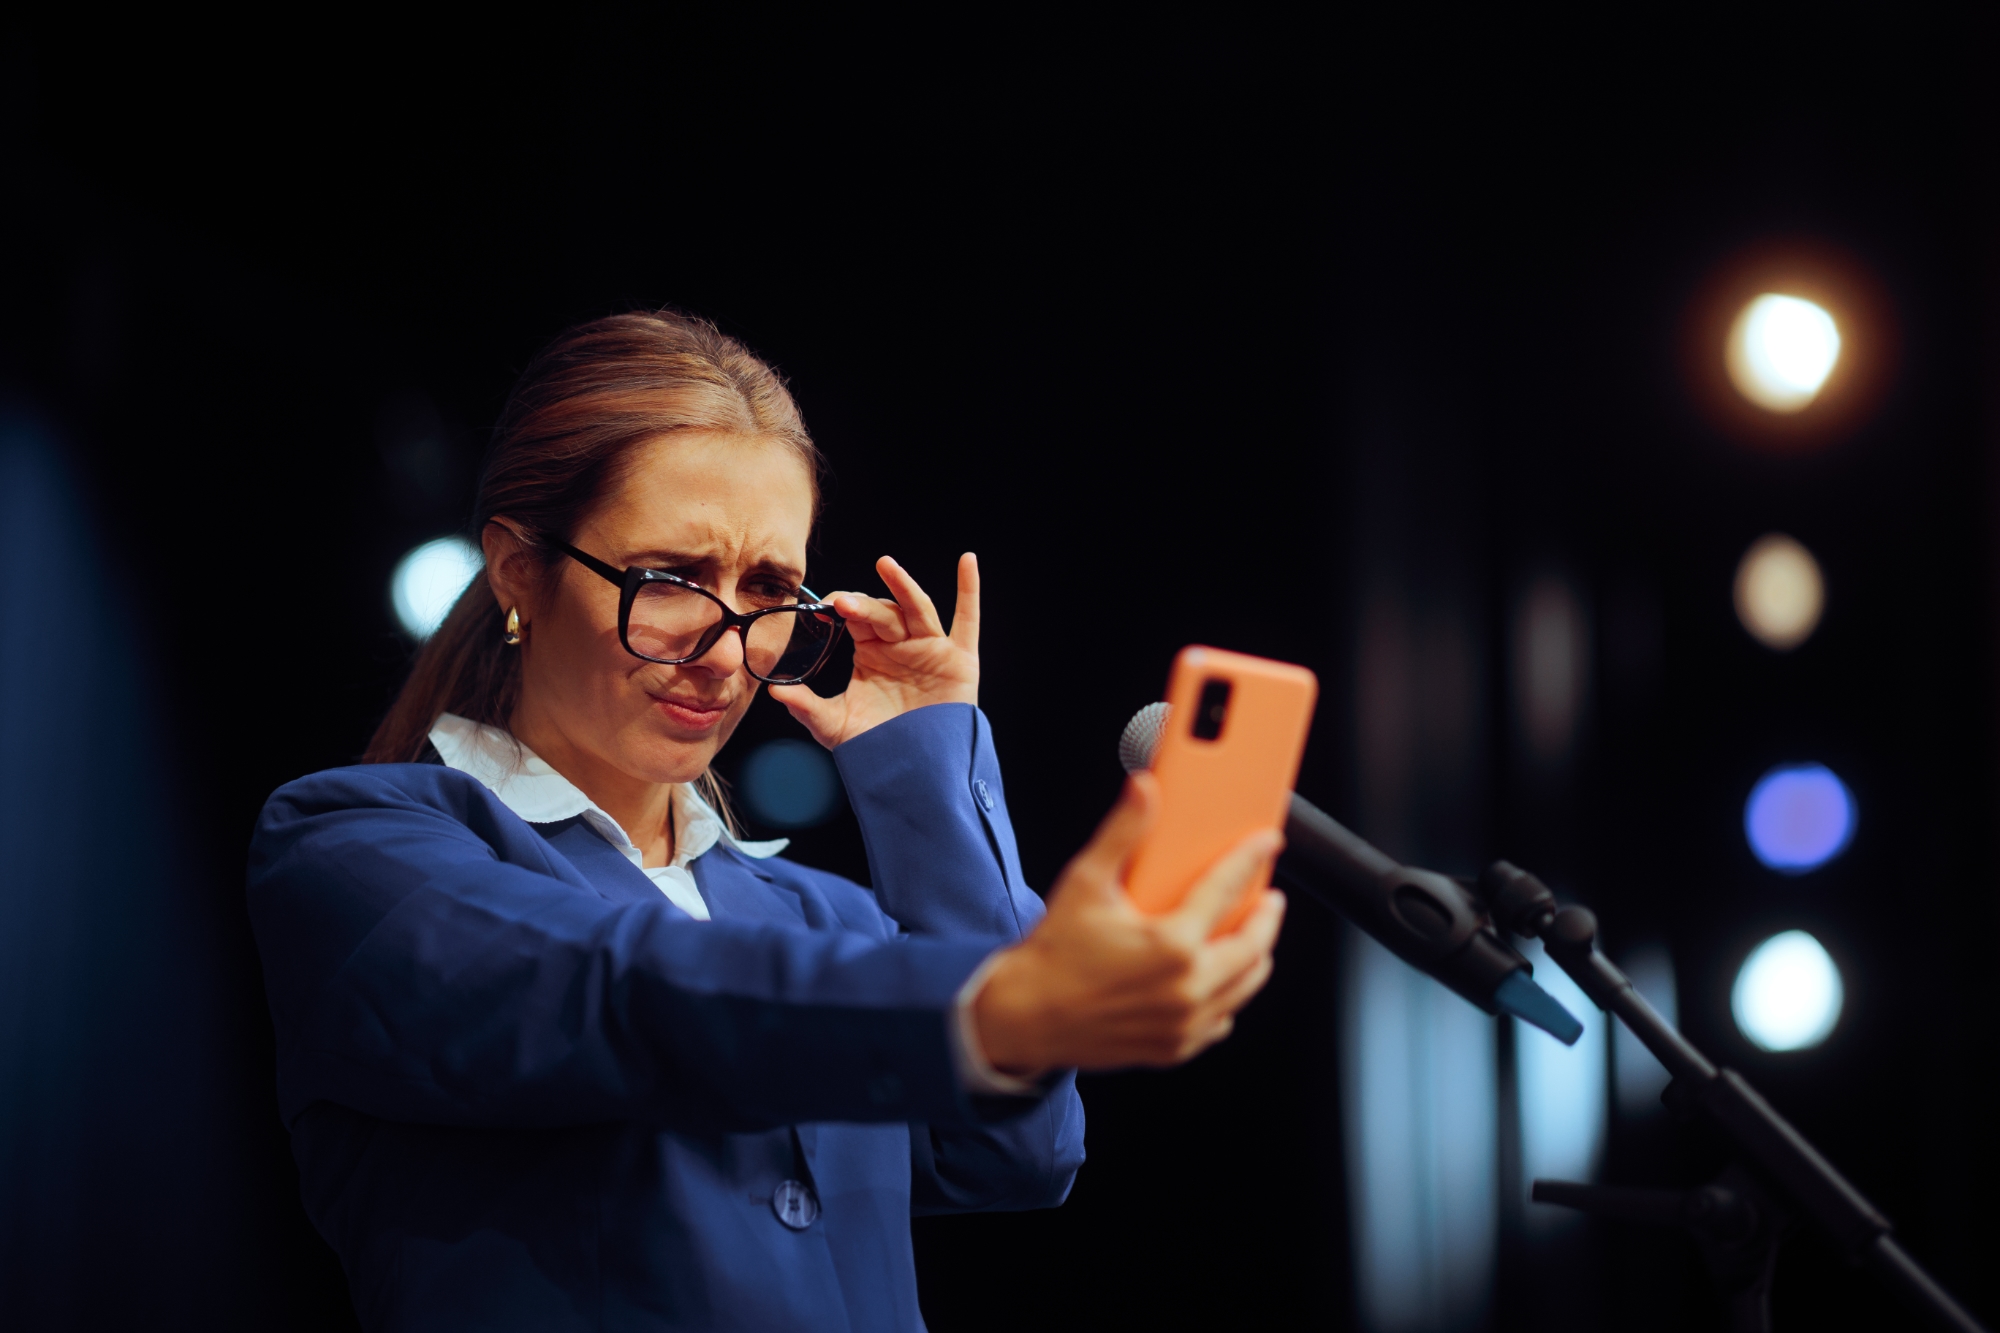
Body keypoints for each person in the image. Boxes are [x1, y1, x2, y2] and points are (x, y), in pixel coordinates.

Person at [246, 310, 1286, 1331]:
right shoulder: (352, 848)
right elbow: (620, 987)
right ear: (519, 570)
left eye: (769, 587)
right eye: (671, 579)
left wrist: (926, 765)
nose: (724, 644)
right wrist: (998, 1001)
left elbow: (1019, 1151)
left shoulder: (818, 919)